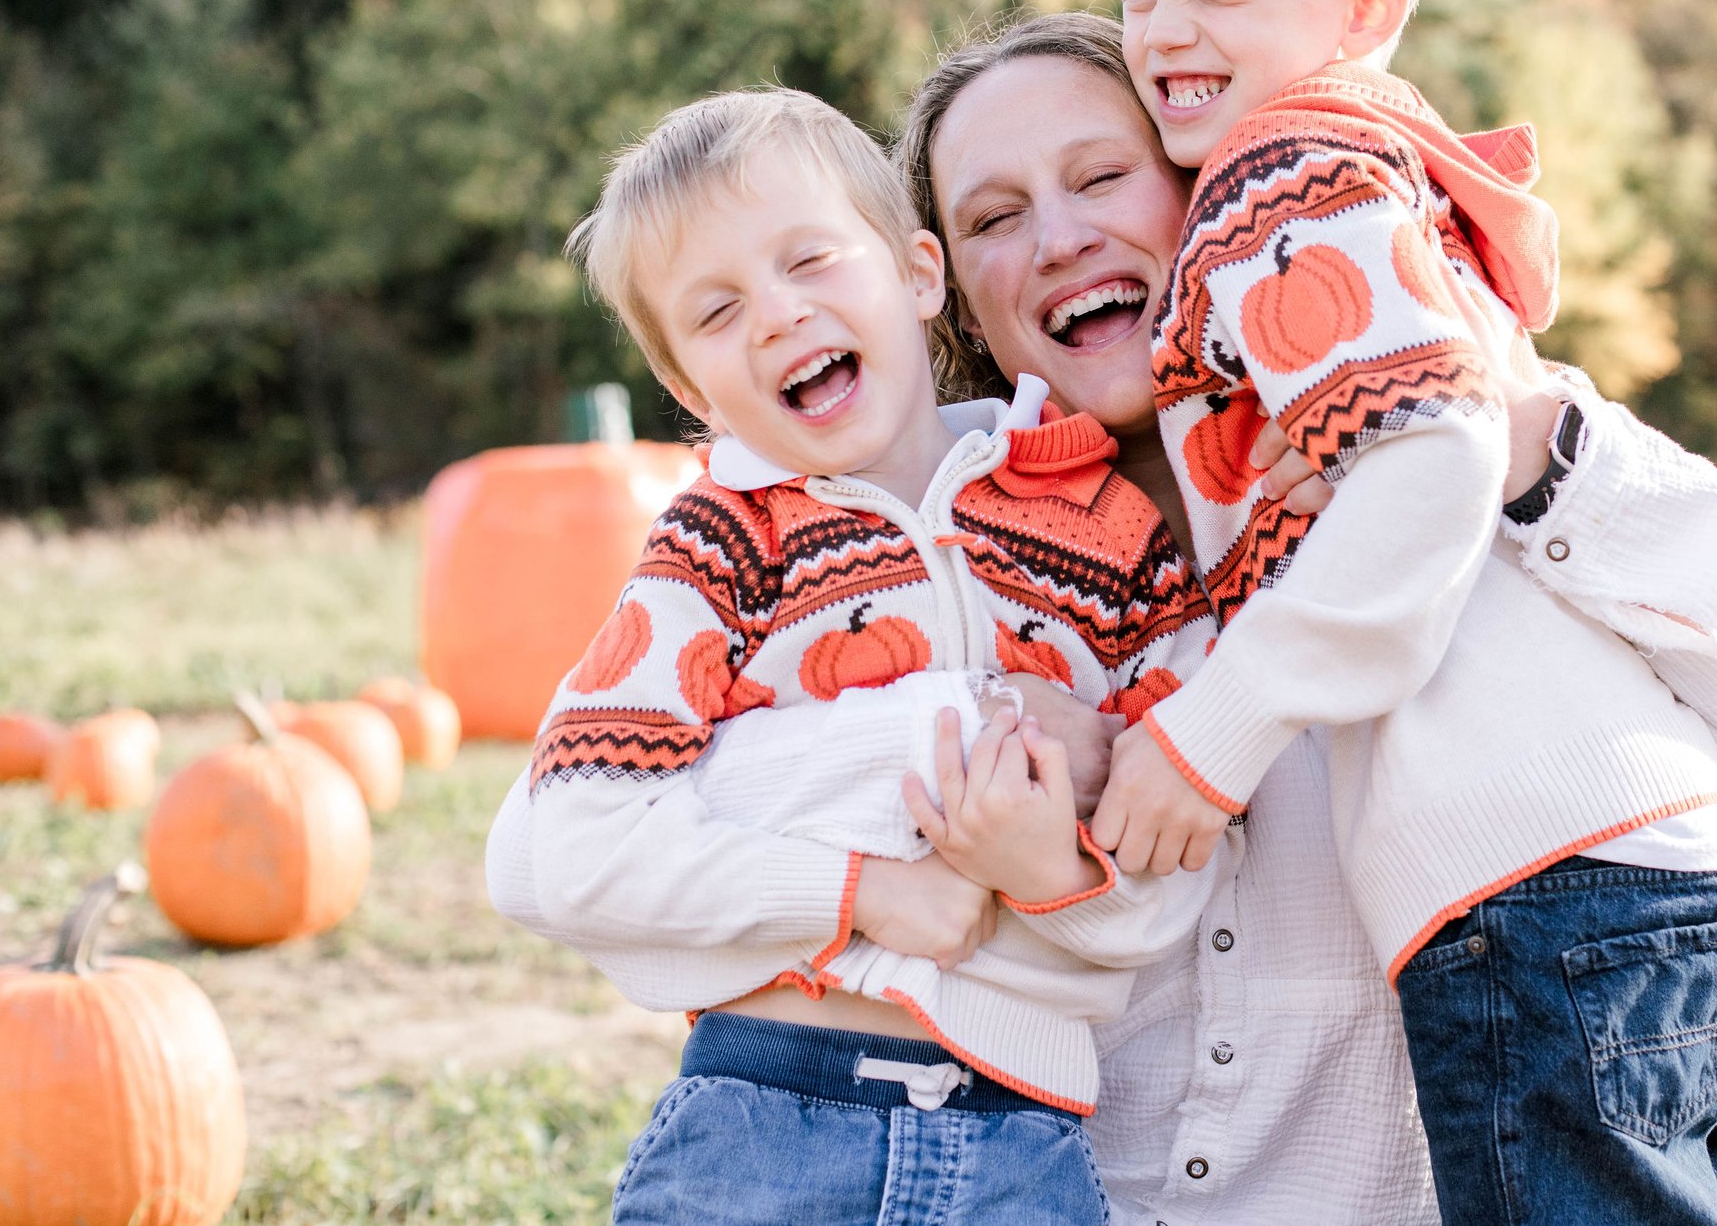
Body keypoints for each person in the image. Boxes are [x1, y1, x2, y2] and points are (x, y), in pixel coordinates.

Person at [903, 9, 1717, 1224]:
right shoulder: (931, 557)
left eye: (1103, 175)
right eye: (992, 217)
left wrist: (1506, 440)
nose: (1057, 236)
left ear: (1213, 199)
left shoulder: (1436, 462)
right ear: (950, 292)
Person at [1080, 0, 1717, 1222]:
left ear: (1361, 9)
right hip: (1635, 851)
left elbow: (1437, 454)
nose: (1163, 28)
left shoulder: (1280, 171)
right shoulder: (1377, 178)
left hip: (1528, 871)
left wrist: (1213, 730)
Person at [484, 88, 1230, 1225]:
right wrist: (860, 890)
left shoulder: (1108, 533)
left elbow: (1180, 862)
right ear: (689, 391)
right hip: (764, 1122)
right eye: (718, 310)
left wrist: (1049, 875)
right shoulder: (712, 551)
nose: (779, 315)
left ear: (918, 275)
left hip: (1019, 1140)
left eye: (810, 261)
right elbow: (576, 844)